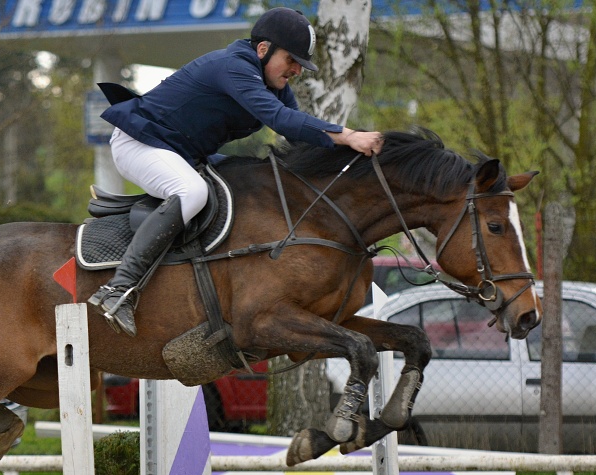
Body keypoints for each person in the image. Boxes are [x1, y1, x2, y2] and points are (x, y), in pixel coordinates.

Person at [91, 7, 385, 336]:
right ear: (263, 50)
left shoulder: (274, 85)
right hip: (139, 143)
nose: (296, 70)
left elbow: (298, 135)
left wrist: (354, 159)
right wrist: (348, 134)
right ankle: (118, 290)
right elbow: (281, 120)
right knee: (192, 192)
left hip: (179, 152)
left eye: (299, 64)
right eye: (292, 60)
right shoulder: (234, 68)